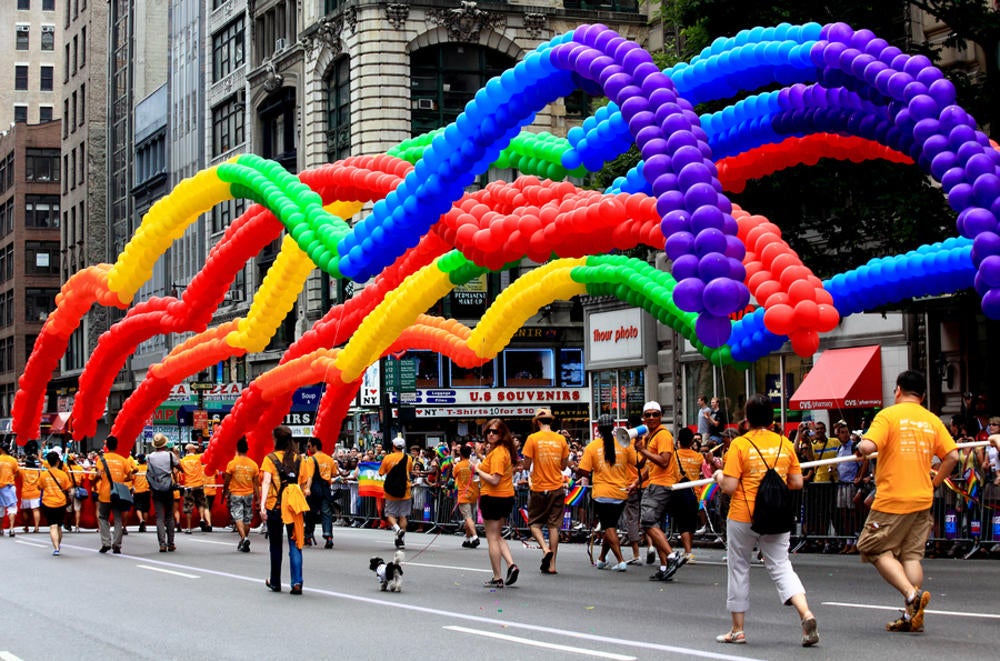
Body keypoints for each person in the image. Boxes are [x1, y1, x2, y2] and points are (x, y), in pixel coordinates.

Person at [855, 369, 958, 633]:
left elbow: (868, 446)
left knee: (872, 547)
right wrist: (934, 483)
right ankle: (913, 614)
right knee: (911, 555)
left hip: (892, 499)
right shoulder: (932, 420)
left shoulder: (888, 415)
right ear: (922, 395)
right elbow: (953, 457)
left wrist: (861, 448)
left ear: (898, 390)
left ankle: (912, 598)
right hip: (922, 498)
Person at [713, 393, 818, 647]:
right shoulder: (784, 443)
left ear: (747, 419)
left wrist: (717, 474)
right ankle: (806, 614)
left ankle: (737, 630)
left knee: (738, 568)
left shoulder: (740, 444)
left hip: (742, 516)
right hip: (777, 515)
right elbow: (795, 482)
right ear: (772, 419)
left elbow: (729, 486)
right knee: (782, 566)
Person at [633, 401, 686, 581]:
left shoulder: (663, 435)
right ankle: (664, 567)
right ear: (643, 417)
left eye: (655, 414)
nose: (652, 418)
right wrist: (637, 480)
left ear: (661, 416)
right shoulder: (652, 436)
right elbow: (646, 465)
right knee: (654, 525)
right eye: (648, 415)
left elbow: (663, 461)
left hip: (660, 485)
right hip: (656, 483)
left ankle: (672, 556)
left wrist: (643, 450)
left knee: (647, 522)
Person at [578, 415, 637, 572]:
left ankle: (620, 560)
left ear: (598, 428)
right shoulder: (624, 444)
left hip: (602, 494)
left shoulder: (592, 447)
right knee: (609, 526)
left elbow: (584, 471)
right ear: (612, 427)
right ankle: (602, 558)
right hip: (621, 494)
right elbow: (639, 462)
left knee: (609, 527)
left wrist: (574, 467)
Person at [260, 426, 310, 594]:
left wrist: (262, 506)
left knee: (275, 546)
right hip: (293, 507)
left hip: (275, 506)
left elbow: (266, 482)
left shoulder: (270, 459)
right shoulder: (298, 459)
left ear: (275, 439)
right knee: (295, 543)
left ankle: (275, 581)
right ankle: (297, 582)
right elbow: (303, 483)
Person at [521, 407, 569, 575]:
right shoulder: (561, 439)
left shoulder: (532, 439)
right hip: (557, 486)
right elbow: (564, 466)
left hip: (539, 487)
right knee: (554, 526)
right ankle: (553, 565)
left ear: (538, 422)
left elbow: (526, 465)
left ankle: (544, 548)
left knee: (534, 523)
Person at [474, 418, 519, 588]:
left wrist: (477, 469)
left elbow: (494, 479)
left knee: (492, 537)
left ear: (502, 434)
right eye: (488, 432)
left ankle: (497, 576)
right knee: (497, 535)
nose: (491, 434)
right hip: (503, 497)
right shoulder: (499, 451)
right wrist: (480, 458)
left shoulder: (500, 452)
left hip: (494, 497)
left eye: (495, 431)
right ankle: (511, 565)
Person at [93, 435, 135, 554]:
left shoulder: (101, 459)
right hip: (118, 495)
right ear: (117, 446)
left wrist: (94, 482)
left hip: (105, 493)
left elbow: (98, 474)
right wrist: (121, 480)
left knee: (103, 517)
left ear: (106, 446)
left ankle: (106, 542)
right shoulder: (123, 460)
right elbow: (131, 476)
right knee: (118, 519)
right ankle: (117, 544)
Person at [223, 437, 260, 553]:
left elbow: (227, 480)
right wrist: (258, 499)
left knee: (237, 516)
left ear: (237, 449)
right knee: (247, 518)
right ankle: (244, 540)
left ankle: (244, 538)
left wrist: (225, 492)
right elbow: (256, 484)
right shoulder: (253, 465)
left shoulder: (232, 464)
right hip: (249, 494)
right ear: (247, 449)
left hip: (236, 494)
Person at [146, 433, 180, 553]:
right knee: (169, 516)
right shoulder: (170, 455)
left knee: (159, 517)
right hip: (168, 488)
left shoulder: (150, 457)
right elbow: (178, 466)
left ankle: (162, 544)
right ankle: (171, 543)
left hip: (156, 489)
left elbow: (148, 473)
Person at [378, 434, 413, 550]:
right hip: (405, 490)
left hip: (391, 491)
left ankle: (397, 530)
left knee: (390, 514)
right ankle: (401, 541)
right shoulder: (408, 458)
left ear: (393, 446)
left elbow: (381, 473)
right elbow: (410, 471)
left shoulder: (387, 458)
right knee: (403, 516)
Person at [673, 427, 703, 563]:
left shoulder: (674, 456)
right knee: (690, 524)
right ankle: (688, 550)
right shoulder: (698, 457)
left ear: (679, 440)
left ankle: (688, 552)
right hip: (695, 494)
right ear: (692, 441)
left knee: (683, 525)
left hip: (679, 493)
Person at [304, 437, 337, 549]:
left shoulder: (311, 459)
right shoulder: (329, 459)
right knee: (326, 513)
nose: (308, 449)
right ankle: (328, 537)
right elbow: (334, 473)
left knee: (311, 513)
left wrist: (307, 488)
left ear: (314, 446)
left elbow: (310, 476)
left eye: (309, 446)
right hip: (326, 489)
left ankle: (308, 536)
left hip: (314, 488)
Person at [37, 451, 72, 556]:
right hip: (61, 502)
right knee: (59, 526)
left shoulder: (44, 475)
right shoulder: (63, 474)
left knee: (52, 526)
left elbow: (39, 487)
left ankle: (56, 547)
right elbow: (68, 488)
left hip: (48, 502)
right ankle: (58, 545)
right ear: (57, 461)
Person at [453, 443, 480, 548]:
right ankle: (467, 540)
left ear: (461, 454)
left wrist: (454, 466)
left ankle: (475, 537)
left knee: (468, 518)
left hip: (463, 495)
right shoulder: (473, 464)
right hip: (473, 494)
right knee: (469, 518)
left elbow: (454, 475)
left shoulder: (459, 465)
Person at [179, 443, 209, 533]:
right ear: (191, 450)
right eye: (194, 449)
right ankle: (202, 518)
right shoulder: (199, 457)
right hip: (199, 485)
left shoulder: (182, 460)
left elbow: (180, 470)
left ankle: (188, 528)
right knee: (201, 503)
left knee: (188, 507)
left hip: (189, 486)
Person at [19, 455, 42, 533]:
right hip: (36, 493)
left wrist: (21, 463)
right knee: (35, 510)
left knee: (26, 511)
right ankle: (36, 527)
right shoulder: (38, 471)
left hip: (25, 493)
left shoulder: (23, 471)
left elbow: (16, 466)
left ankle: (26, 527)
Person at [0, 443, 17, 537]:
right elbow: (17, 472)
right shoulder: (13, 460)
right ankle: (11, 528)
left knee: (0, 509)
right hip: (9, 487)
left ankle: (1, 529)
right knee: (12, 508)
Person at [132, 454, 151, 533]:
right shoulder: (148, 468)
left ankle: (141, 519)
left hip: (137, 490)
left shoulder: (137, 469)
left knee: (138, 507)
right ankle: (145, 525)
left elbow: (132, 478)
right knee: (145, 509)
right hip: (147, 490)